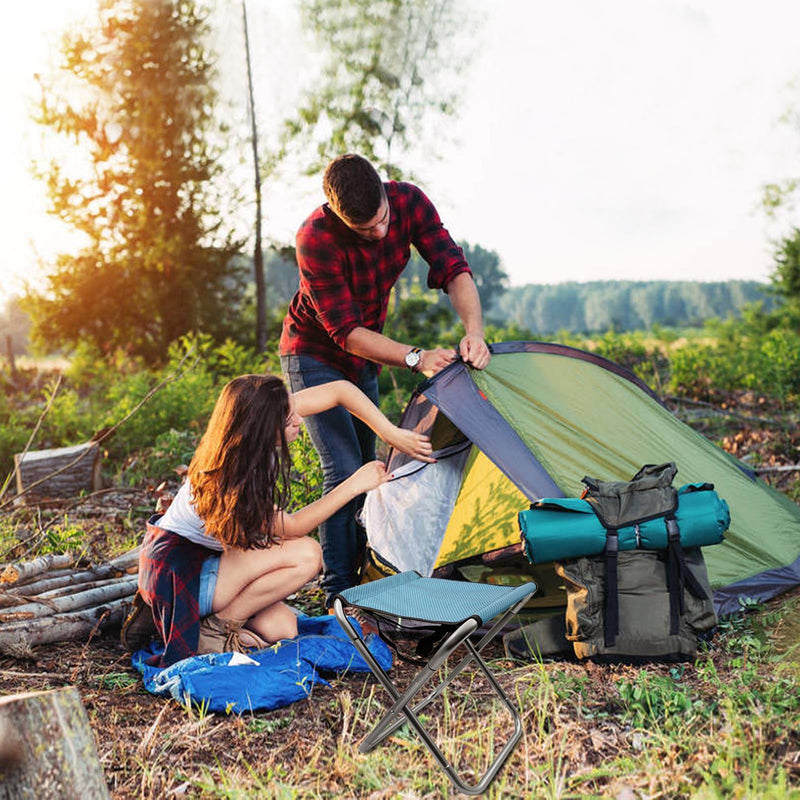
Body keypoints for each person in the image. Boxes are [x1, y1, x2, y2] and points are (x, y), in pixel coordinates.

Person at [280, 153, 492, 607]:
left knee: (372, 465)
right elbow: (347, 334)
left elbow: (454, 268)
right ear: (336, 215)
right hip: (314, 355)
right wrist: (415, 357)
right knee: (343, 467)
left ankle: (370, 577)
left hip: (364, 360)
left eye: (382, 221)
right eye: (365, 230)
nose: (379, 233)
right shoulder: (314, 238)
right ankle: (341, 597)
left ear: (384, 193)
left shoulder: (409, 202)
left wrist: (474, 333)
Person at [133, 373, 433, 666]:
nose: (299, 420)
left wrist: (390, 433)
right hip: (181, 573)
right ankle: (215, 630)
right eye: (289, 420)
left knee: (284, 627)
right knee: (307, 554)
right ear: (261, 428)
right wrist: (354, 484)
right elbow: (295, 527)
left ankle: (212, 627)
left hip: (209, 566)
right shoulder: (232, 481)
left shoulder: (264, 415)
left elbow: (340, 390)